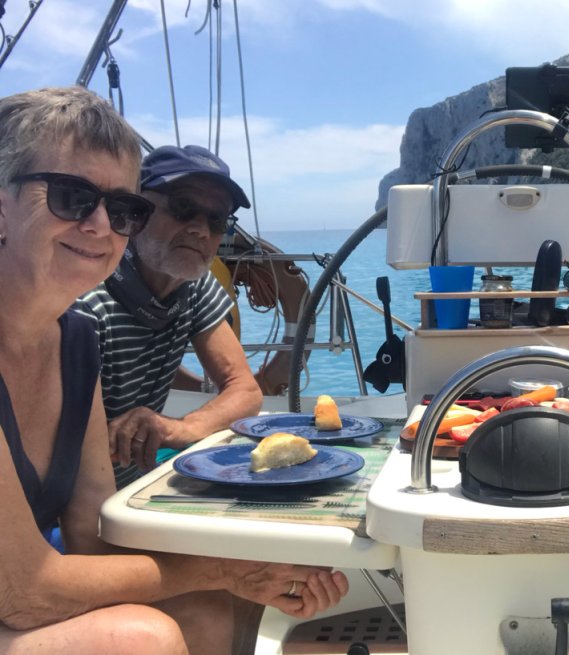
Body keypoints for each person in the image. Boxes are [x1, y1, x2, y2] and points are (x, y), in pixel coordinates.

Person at [0, 86, 347, 654]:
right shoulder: (91, 315)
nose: (100, 225)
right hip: (18, 586)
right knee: (146, 639)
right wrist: (225, 568)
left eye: (121, 209)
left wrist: (247, 569)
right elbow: (23, 590)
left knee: (211, 608)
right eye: (70, 196)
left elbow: (90, 535)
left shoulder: (72, 342)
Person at [75, 144, 262, 484]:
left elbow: (245, 390)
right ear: (137, 211)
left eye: (216, 220)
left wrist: (177, 428)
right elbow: (56, 446)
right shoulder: (85, 305)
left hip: (127, 490)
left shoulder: (193, 285)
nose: (201, 231)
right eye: (183, 208)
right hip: (67, 509)